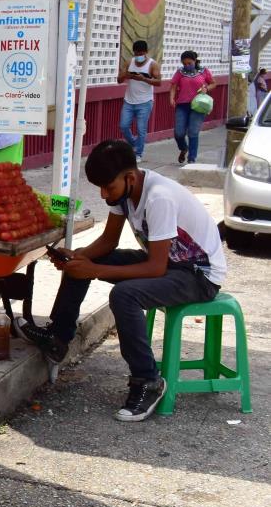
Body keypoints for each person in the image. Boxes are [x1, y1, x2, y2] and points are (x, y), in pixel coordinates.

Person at [17, 140, 225, 423]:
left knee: (124, 295)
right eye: (100, 188)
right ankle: (59, 337)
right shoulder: (124, 193)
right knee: (79, 265)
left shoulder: (158, 197)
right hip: (171, 266)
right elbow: (108, 241)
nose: (104, 195)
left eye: (108, 187)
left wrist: (92, 269)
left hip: (198, 275)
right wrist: (79, 257)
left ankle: (148, 381)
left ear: (129, 177)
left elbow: (154, 267)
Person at [169, 50, 215, 165]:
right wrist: (171, 98)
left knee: (193, 132)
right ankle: (184, 148)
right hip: (182, 105)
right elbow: (173, 86)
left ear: (195, 61)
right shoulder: (180, 72)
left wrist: (207, 88)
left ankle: (192, 158)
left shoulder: (204, 71)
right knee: (178, 133)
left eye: (189, 63)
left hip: (199, 105)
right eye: (184, 64)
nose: (187, 66)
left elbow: (213, 83)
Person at [117, 40, 160, 159]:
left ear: (146, 52)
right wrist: (126, 75)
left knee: (141, 129)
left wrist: (144, 79)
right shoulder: (129, 62)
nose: (138, 56)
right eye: (136, 54)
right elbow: (119, 80)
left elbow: (158, 82)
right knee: (123, 125)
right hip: (129, 101)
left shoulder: (152, 64)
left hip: (145, 102)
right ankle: (134, 143)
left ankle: (138, 153)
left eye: (141, 53)